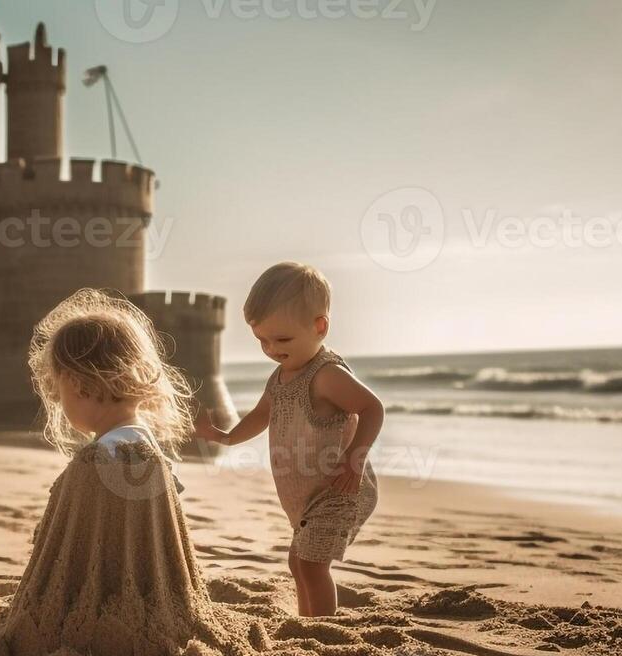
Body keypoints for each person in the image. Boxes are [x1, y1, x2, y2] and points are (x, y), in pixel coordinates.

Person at [195, 262, 382, 617]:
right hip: (306, 494)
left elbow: (372, 408)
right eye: (261, 340)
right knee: (298, 563)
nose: (270, 349)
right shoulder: (280, 376)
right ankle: (307, 624)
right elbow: (261, 415)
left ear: (319, 326)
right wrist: (224, 437)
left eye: (281, 340)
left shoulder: (326, 375)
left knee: (312, 565)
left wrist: (355, 459)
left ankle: (322, 630)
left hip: (339, 488)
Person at [29, 287, 194, 460]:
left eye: (58, 391)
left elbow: (79, 488)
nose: (57, 400)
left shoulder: (95, 460)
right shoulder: (150, 449)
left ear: (75, 383)